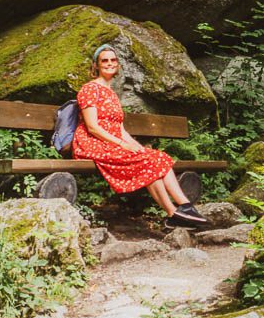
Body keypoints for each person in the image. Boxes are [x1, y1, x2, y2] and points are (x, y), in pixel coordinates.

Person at [73, 44, 208, 229]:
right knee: (147, 161)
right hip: (93, 142)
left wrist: (136, 146)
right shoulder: (90, 89)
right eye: (104, 60)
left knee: (158, 157)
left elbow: (120, 129)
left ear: (118, 64)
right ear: (96, 65)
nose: (110, 63)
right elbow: (92, 127)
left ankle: (185, 206)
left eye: (113, 60)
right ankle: (172, 213)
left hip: (112, 142)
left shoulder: (111, 93)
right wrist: (122, 144)